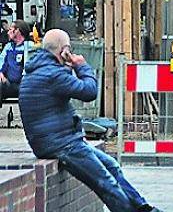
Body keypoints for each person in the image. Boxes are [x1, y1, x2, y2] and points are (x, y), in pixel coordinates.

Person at [19, 29, 161, 212]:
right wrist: (81, 66)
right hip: (60, 144)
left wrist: (68, 68)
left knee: (112, 167)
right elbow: (89, 91)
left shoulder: (39, 70)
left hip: (59, 140)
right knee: (106, 182)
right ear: (64, 50)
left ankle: (143, 207)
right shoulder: (53, 75)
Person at [0, 20, 29, 103]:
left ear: (17, 31)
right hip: (7, 84)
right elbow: (1, 61)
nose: (8, 32)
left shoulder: (29, 46)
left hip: (25, 85)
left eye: (10, 29)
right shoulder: (8, 47)